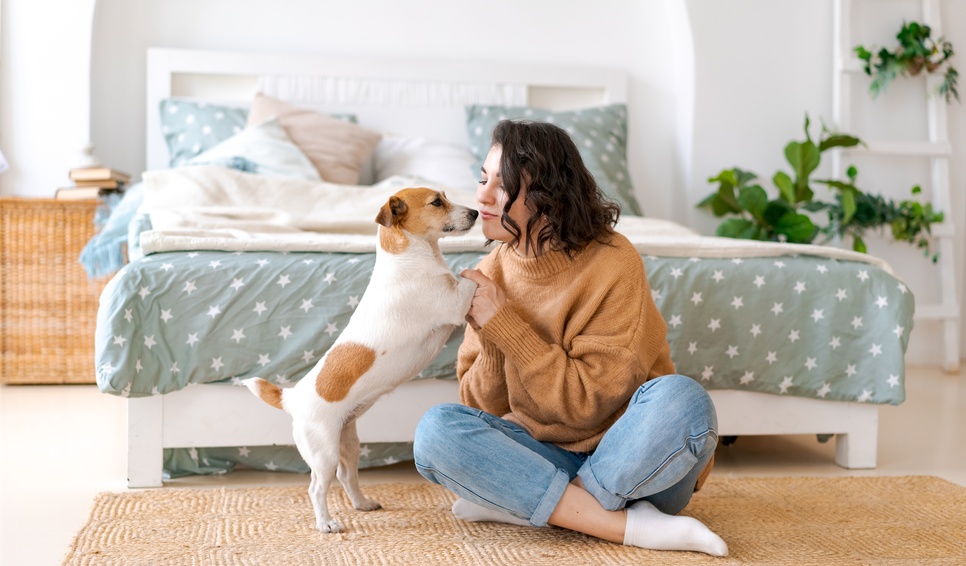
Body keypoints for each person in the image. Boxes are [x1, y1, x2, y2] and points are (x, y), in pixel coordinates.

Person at [412, 119, 727, 557]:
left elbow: (588, 405)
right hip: (545, 454)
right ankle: (628, 526)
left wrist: (506, 326)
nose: (481, 196)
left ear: (547, 196)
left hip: (639, 459)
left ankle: (535, 503)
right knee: (436, 432)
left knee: (684, 401)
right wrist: (490, 338)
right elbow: (482, 407)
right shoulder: (491, 273)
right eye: (482, 179)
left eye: (500, 185)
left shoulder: (614, 262)